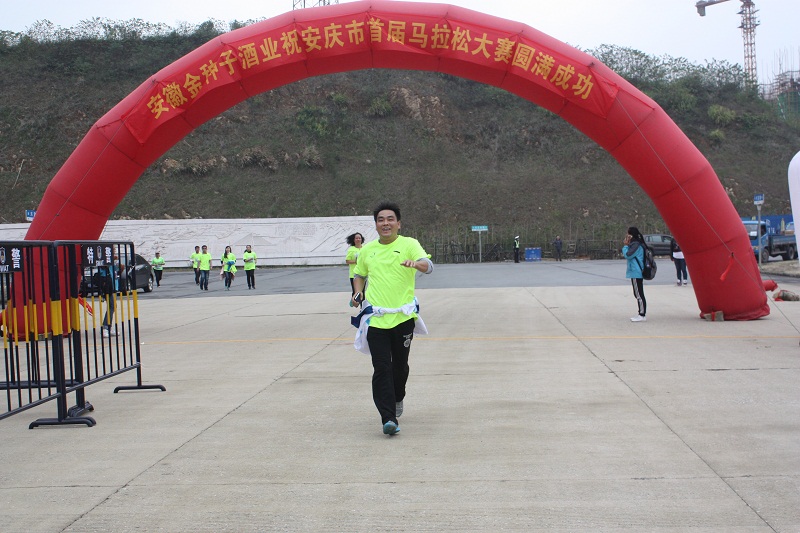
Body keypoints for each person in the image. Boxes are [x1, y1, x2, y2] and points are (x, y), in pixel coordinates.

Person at [351, 202, 434, 436]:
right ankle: (388, 418)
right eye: (380, 220)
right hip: (376, 319)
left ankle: (398, 396)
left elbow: (428, 266)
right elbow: (359, 274)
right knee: (381, 368)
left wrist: (415, 264)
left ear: (398, 223)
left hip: (403, 318)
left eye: (390, 219)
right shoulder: (367, 250)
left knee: (400, 367)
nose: (385, 223)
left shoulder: (409, 244)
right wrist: (357, 293)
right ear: (376, 225)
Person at [622, 226, 647, 322]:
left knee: (639, 294)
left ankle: (642, 314)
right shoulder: (636, 244)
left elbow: (628, 255)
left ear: (631, 235)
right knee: (637, 293)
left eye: (628, 234)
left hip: (636, 272)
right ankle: (641, 313)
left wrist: (625, 246)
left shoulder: (636, 245)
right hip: (636, 271)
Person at [100, 250, 120, 338]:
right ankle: (105, 327)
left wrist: (118, 264)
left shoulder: (112, 261)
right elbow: (103, 268)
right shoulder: (104, 260)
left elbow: (117, 269)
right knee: (112, 306)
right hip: (107, 287)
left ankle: (108, 326)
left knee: (112, 306)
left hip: (113, 286)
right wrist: (112, 259)